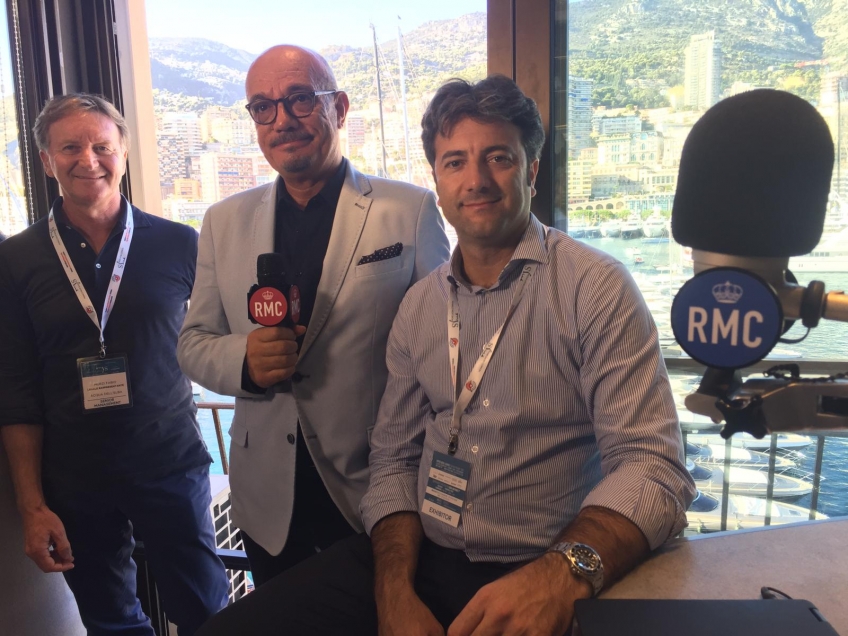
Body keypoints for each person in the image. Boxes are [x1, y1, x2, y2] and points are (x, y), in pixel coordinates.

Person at [196, 75, 696, 636]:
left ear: (532, 170)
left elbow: (652, 465)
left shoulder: (595, 288)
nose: (476, 180)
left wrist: (560, 576)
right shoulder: (420, 307)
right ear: (437, 180)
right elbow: (394, 461)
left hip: (544, 559)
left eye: (498, 158)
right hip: (423, 558)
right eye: (455, 162)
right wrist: (393, 592)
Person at [176, 45, 450, 586]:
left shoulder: (409, 210)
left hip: (376, 489)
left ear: (338, 108)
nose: (282, 120)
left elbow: (444, 344)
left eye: (300, 99)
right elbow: (194, 342)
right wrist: (244, 361)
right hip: (266, 502)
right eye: (263, 107)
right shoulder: (223, 221)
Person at [0, 94, 228, 634]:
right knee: (110, 623)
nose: (89, 160)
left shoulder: (180, 243)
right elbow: (15, 390)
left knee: (209, 614)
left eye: (102, 146)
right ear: (46, 160)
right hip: (74, 479)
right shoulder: (15, 259)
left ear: (124, 152)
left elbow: (217, 340)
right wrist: (32, 506)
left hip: (170, 463)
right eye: (70, 148)